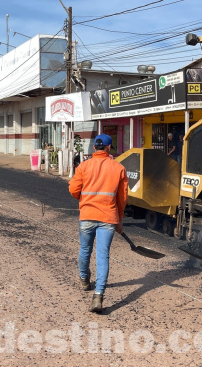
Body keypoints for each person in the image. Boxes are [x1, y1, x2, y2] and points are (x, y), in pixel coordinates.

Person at [68, 133, 128, 313]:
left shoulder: (84, 166)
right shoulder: (118, 168)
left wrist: (83, 199)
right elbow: (122, 198)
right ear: (109, 148)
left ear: (94, 148)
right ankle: (98, 295)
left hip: (86, 215)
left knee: (85, 249)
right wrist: (119, 219)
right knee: (103, 255)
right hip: (108, 218)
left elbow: (73, 189)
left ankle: (84, 280)